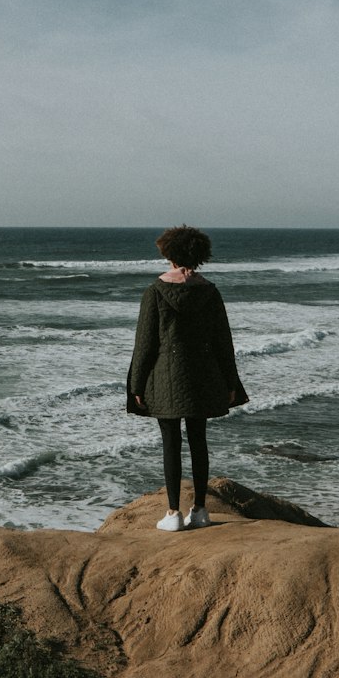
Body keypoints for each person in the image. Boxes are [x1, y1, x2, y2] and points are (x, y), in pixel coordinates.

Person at [127, 225, 248, 531]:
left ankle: (172, 514)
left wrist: (137, 384)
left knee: (170, 443)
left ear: (168, 253)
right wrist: (231, 382)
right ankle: (200, 510)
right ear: (198, 255)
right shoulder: (210, 291)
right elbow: (224, 342)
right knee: (198, 441)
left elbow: (145, 344)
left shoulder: (155, 292)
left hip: (165, 375)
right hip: (203, 375)